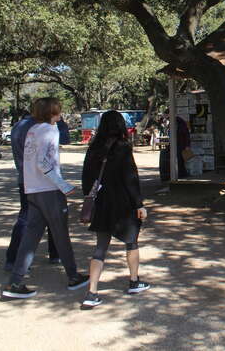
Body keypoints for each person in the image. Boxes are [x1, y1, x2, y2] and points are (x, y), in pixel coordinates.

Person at [2, 98, 89, 299]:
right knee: (60, 233)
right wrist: (62, 185)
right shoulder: (51, 130)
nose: (60, 114)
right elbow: (43, 162)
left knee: (31, 236)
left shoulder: (33, 130)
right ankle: (73, 276)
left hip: (31, 189)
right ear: (52, 112)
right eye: (58, 110)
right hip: (49, 190)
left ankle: (16, 280)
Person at [80, 110, 149, 308]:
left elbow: (86, 178)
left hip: (102, 203)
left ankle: (91, 292)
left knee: (100, 248)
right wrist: (139, 204)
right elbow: (130, 177)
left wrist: (90, 198)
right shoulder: (123, 147)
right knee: (131, 243)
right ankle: (134, 281)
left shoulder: (93, 147)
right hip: (123, 204)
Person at [4, 109, 62, 272]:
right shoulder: (40, 128)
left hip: (24, 178)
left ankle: (13, 257)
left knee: (27, 217)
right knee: (46, 218)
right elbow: (42, 160)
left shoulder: (17, 127)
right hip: (43, 181)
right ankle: (54, 254)